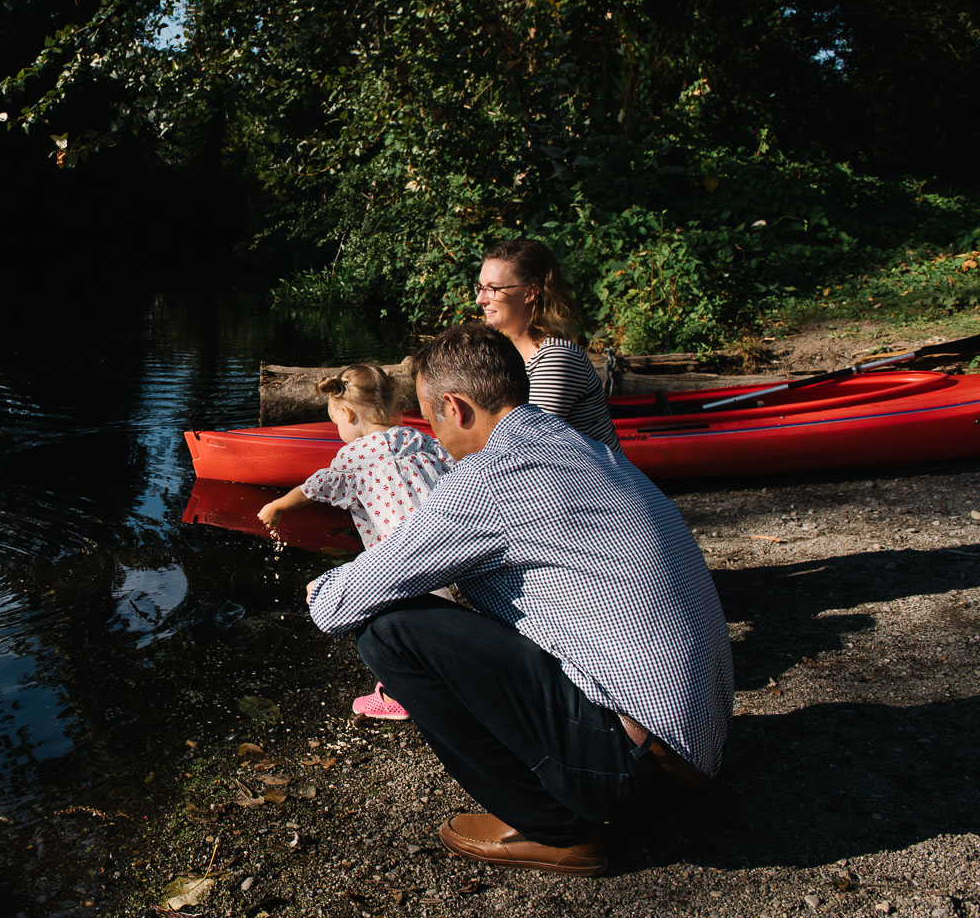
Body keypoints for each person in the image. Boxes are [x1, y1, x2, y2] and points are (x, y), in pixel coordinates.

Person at [305, 323, 732, 876]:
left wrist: (324, 585)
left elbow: (336, 608)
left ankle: (556, 829)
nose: (433, 434)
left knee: (391, 631)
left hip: (638, 774)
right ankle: (582, 783)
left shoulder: (487, 480)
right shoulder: (581, 445)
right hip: (700, 747)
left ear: (455, 408)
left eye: (431, 418)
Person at [256, 364, 453, 720]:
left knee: (392, 617)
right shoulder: (417, 439)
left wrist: (277, 506)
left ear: (346, 413)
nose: (338, 431)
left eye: (336, 423)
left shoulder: (355, 457)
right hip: (446, 539)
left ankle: (399, 694)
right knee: (443, 614)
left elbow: (314, 487)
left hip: (400, 556)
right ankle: (452, 673)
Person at [476, 238, 622, 453]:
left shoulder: (555, 358)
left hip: (595, 482)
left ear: (529, 293)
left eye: (493, 289)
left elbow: (527, 445)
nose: (480, 299)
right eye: (480, 287)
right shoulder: (503, 356)